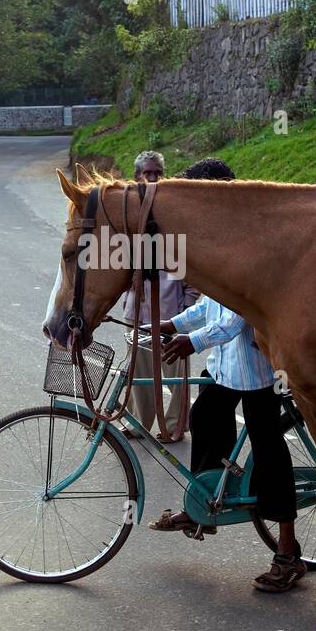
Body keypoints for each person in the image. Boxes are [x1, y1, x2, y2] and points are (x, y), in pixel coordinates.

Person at [148, 157, 304, 593]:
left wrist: (192, 342)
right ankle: (206, 501)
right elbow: (210, 304)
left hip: (256, 369)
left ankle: (288, 552)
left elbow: (238, 313)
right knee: (205, 417)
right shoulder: (216, 240)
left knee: (270, 453)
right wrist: (173, 324)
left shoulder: (247, 241)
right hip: (225, 366)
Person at [120, 151, 197, 440]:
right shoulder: (128, 217)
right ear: (137, 176)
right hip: (136, 310)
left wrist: (185, 308)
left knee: (176, 374)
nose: (152, 178)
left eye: (157, 173)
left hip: (171, 312)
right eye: (147, 173)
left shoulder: (174, 215)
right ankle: (137, 423)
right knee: (138, 374)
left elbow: (192, 270)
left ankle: (176, 425)